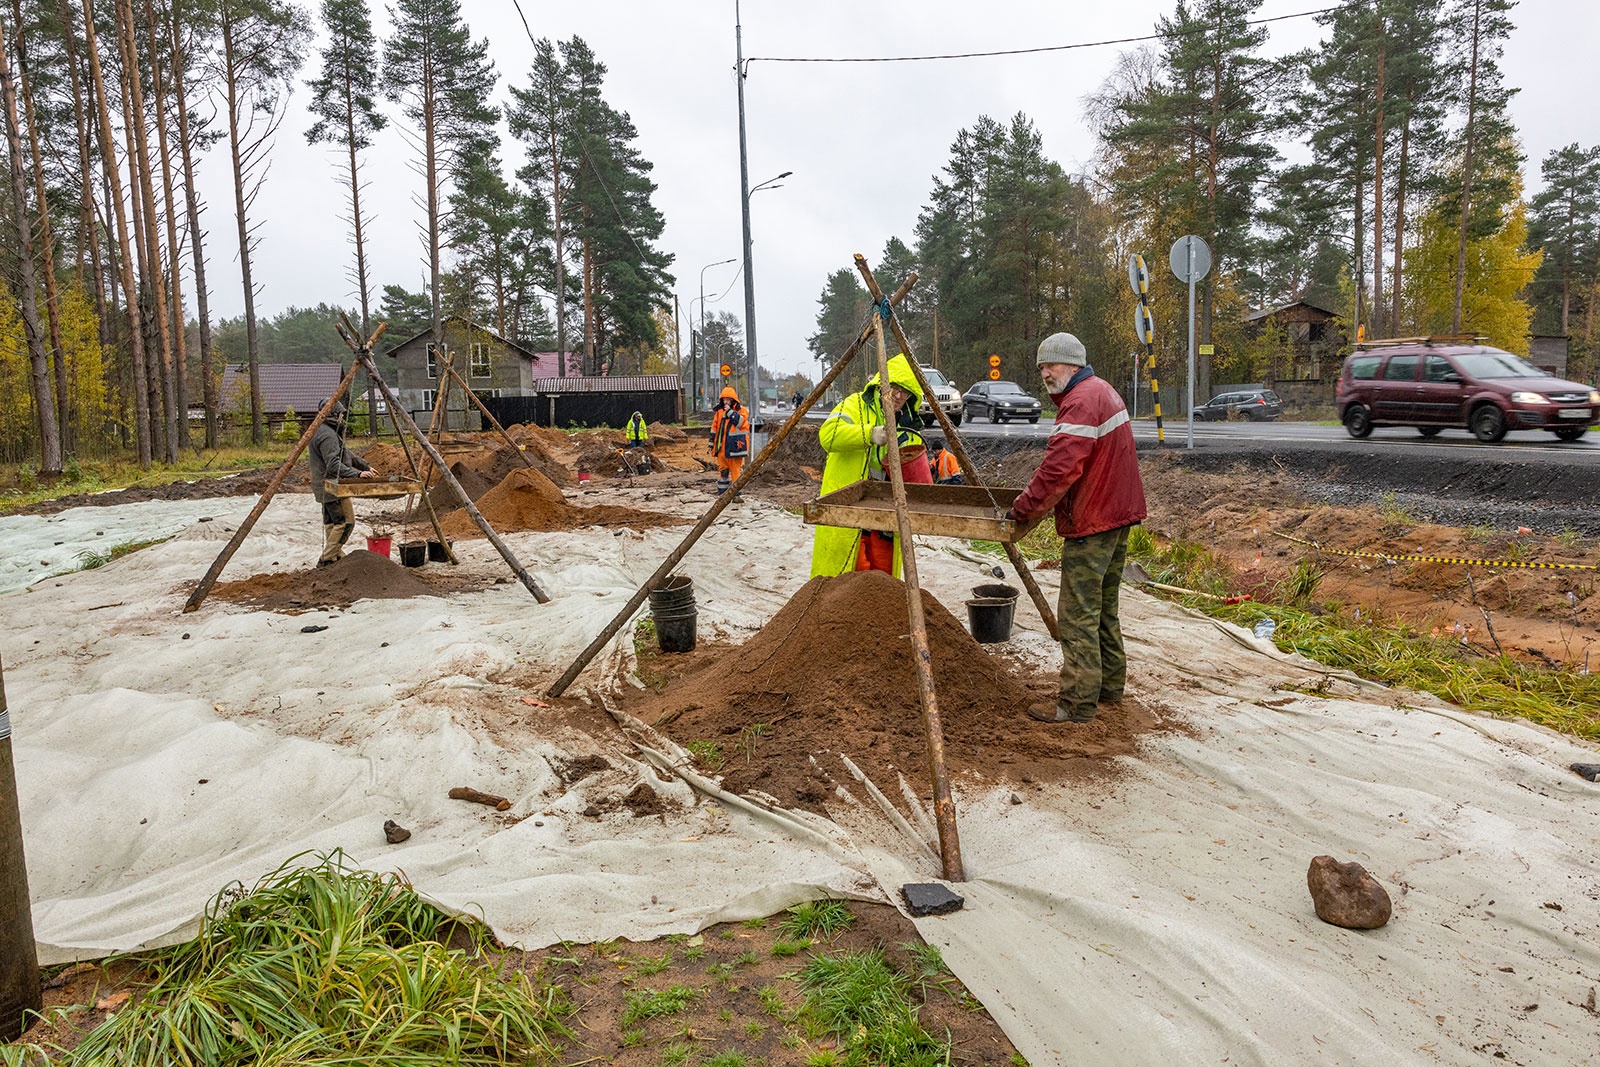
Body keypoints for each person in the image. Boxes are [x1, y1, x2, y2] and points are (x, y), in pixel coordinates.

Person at [1006, 333, 1147, 724]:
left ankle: (1076, 703)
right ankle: (1109, 687)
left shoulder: (1081, 402)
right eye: (1041, 367)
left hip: (1094, 519)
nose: (1045, 373)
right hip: (1118, 514)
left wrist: (1023, 509)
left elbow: (1059, 470)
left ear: (1072, 365)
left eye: (1050, 365)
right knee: (1103, 607)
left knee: (1077, 614)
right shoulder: (1102, 391)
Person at [810, 354, 926, 577]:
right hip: (849, 509)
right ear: (880, 385)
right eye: (894, 387)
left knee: (880, 584)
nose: (899, 395)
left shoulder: (910, 428)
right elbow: (828, 437)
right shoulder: (855, 406)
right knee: (843, 583)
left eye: (906, 391)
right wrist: (868, 434)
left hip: (887, 523)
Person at [309, 400, 378, 567]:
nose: (342, 417)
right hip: (333, 486)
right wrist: (358, 474)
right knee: (346, 522)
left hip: (324, 485)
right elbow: (333, 465)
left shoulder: (323, 430)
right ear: (334, 414)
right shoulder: (328, 435)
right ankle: (326, 560)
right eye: (340, 414)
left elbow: (346, 454)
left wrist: (365, 465)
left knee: (331, 522)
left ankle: (336, 556)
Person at [708, 386, 751, 494]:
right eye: (724, 399)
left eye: (728, 399)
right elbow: (714, 428)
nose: (726, 402)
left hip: (735, 448)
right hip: (721, 448)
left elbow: (740, 423)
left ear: (733, 400)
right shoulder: (719, 412)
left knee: (736, 473)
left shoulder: (742, 411)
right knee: (723, 472)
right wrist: (711, 444)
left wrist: (730, 412)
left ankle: (736, 495)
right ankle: (722, 494)